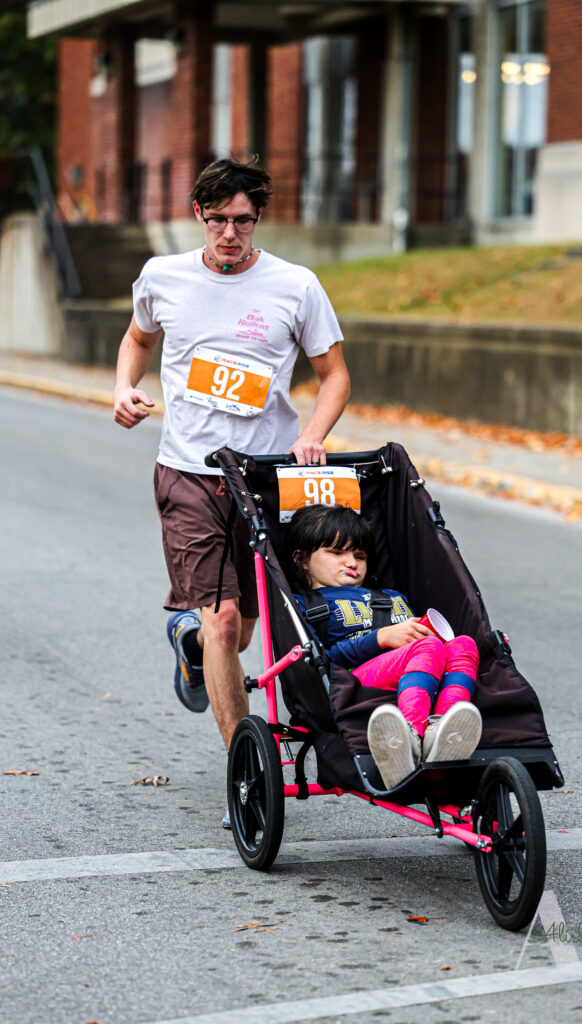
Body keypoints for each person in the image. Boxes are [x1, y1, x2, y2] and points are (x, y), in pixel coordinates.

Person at [113, 158, 350, 826]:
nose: (229, 234)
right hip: (187, 471)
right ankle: (246, 772)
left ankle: (189, 649)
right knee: (222, 621)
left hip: (264, 479)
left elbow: (333, 375)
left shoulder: (295, 286)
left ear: (258, 219)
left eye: (242, 220)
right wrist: (123, 387)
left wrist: (313, 434)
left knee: (243, 631)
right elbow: (136, 338)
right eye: (217, 219)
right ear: (198, 214)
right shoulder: (163, 277)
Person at [286, 504, 482, 789]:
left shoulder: (391, 598)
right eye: (336, 553)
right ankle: (410, 736)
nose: (352, 563)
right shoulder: (306, 605)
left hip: (414, 671)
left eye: (359, 556)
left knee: (463, 643)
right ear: (301, 559)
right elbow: (321, 660)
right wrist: (380, 638)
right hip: (353, 681)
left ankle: (445, 730)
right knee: (426, 647)